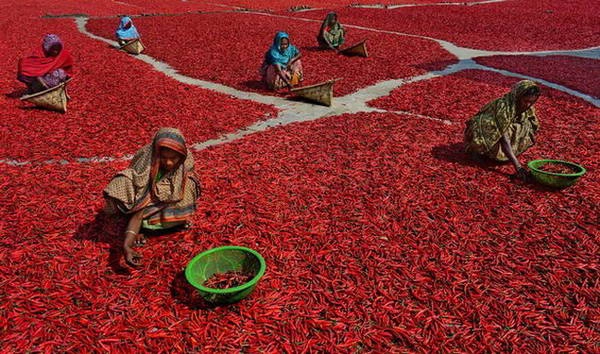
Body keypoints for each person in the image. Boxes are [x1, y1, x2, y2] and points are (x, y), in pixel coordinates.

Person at [103, 128, 200, 266]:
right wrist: (127, 246)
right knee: (123, 183)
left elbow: (181, 185)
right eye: (164, 158)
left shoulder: (185, 162)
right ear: (157, 154)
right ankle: (141, 229)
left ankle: (174, 221)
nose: (169, 163)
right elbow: (140, 209)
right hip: (142, 200)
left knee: (189, 183)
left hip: (167, 198)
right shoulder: (147, 162)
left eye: (173, 159)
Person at [464, 80, 541, 180]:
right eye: (525, 101)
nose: (528, 105)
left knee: (526, 125)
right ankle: (478, 150)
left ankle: (504, 154)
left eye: (532, 102)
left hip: (502, 131)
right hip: (484, 129)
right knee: (490, 125)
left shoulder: (527, 108)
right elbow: (503, 137)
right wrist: (517, 166)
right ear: (518, 96)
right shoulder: (504, 107)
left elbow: (534, 125)